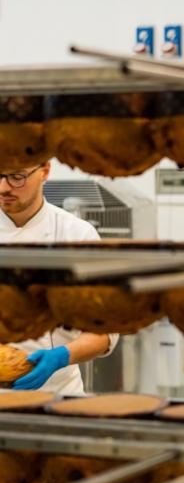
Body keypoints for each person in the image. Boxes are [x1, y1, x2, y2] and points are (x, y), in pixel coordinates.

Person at [0, 160, 118, 394]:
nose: (3, 187)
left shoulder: (77, 235)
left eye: (16, 176)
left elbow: (104, 332)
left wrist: (61, 357)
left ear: (44, 170)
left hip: (57, 393)